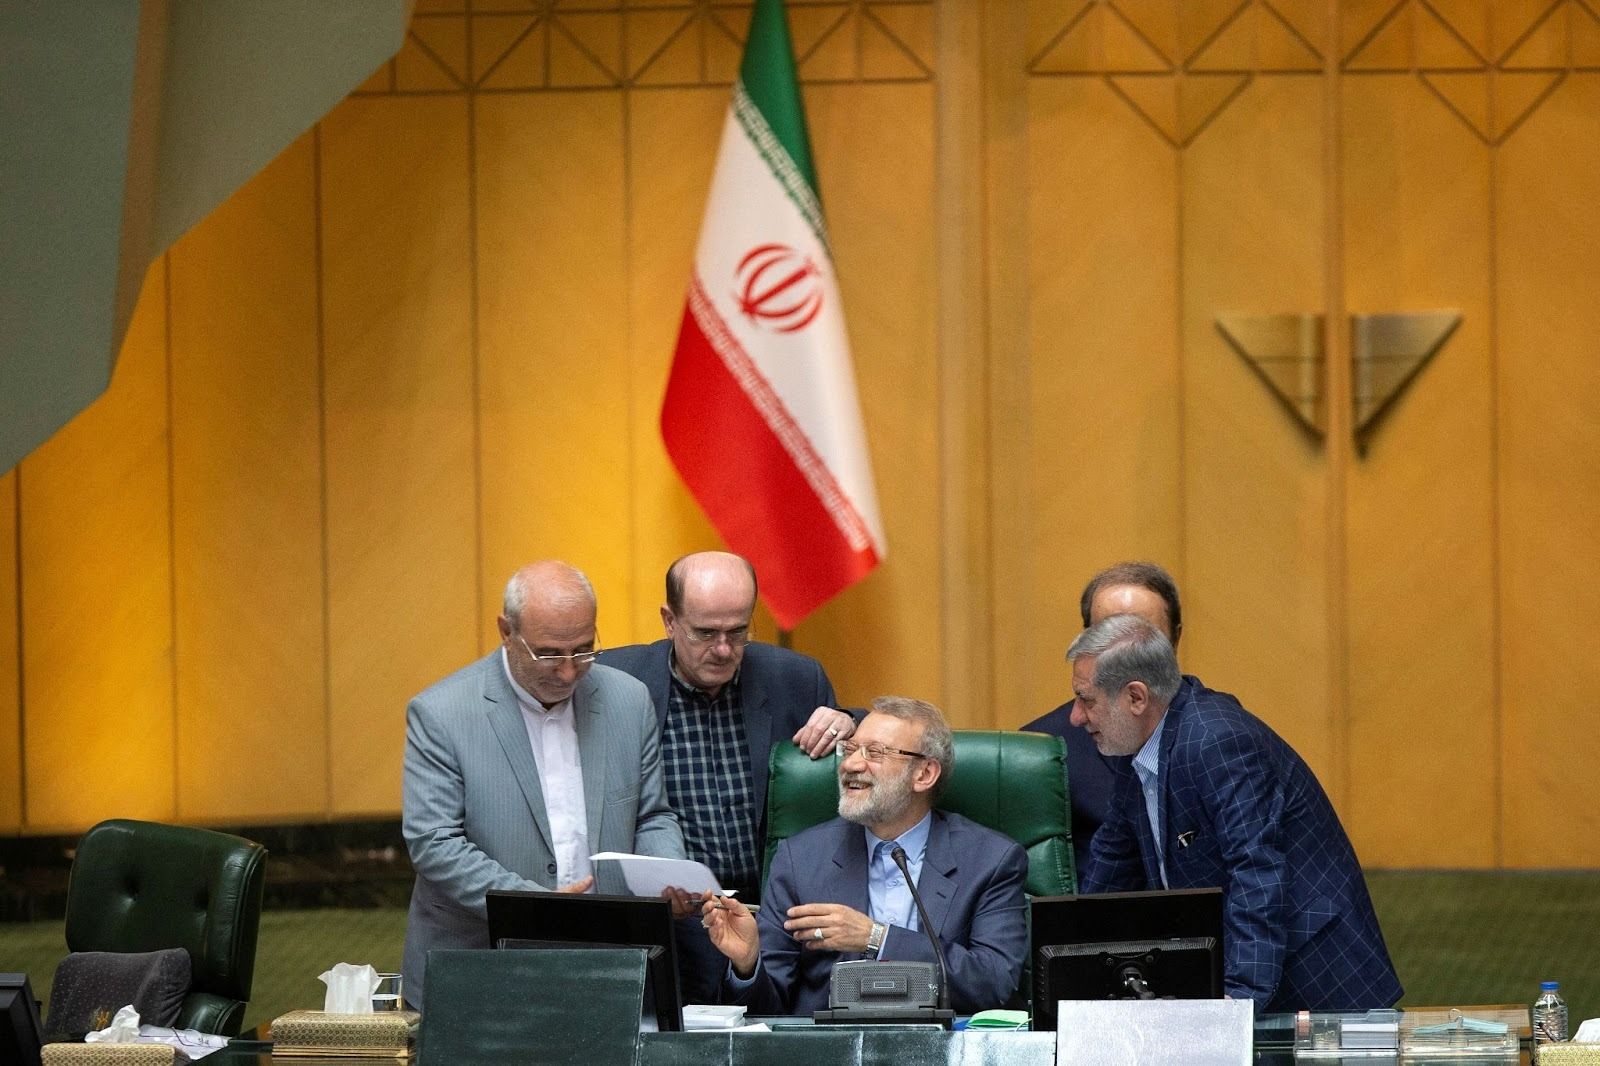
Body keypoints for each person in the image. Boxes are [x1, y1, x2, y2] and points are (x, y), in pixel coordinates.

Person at [1068, 614, 1402, 1011]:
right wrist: (1071, 962)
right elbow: (1113, 862)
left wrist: (1238, 1000)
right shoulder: (1137, 747)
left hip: (1316, 981)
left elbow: (1256, 870)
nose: (1075, 716)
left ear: (1137, 698)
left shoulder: (1216, 742)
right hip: (1249, 974)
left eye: (1086, 700)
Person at [400, 561, 685, 1008]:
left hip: (607, 968)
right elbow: (434, 842)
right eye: (550, 654)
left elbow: (650, 814)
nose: (569, 672)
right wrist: (537, 910)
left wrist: (668, 875)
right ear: (506, 632)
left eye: (584, 650)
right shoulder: (442, 714)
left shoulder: (629, 701)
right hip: (480, 970)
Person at [598, 551, 851, 1000]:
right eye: (705, 633)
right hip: (669, 928)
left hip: (772, 925)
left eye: (738, 632)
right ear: (669, 620)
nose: (722, 649)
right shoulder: (615, 681)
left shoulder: (794, 677)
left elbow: (857, 758)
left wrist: (848, 720)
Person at [699, 697, 1028, 1016]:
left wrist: (877, 938)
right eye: (851, 749)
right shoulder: (799, 860)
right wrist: (747, 965)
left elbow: (994, 982)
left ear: (924, 774)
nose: (851, 765)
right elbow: (768, 1011)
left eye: (875, 753)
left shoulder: (990, 860)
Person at [1021, 560, 1183, 874]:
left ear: (1174, 641)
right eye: (1110, 637)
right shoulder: (1042, 751)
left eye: (1145, 640)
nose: (1128, 656)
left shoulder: (1216, 735)